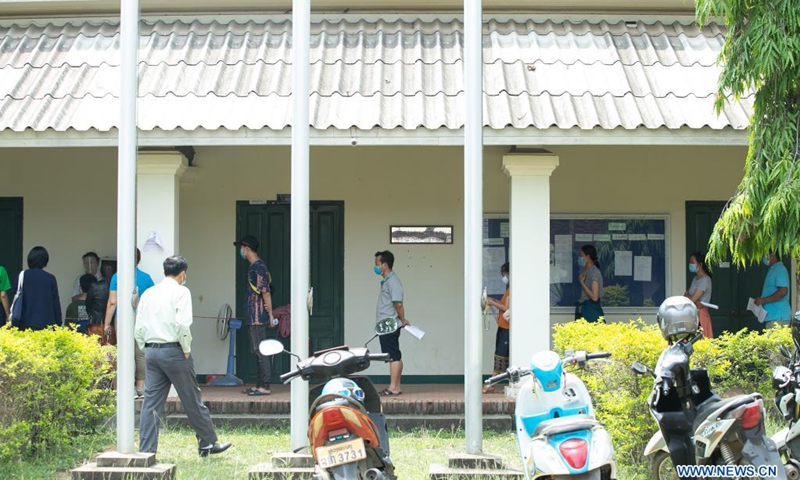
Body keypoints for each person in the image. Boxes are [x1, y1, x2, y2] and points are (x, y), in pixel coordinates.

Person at [135, 255, 231, 457]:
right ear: (182, 274)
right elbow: (182, 324)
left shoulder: (149, 293)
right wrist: (186, 349)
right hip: (175, 350)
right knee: (191, 399)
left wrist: (146, 347)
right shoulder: (182, 292)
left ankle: (146, 451)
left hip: (152, 351)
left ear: (164, 272)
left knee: (150, 404)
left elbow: (139, 326)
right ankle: (207, 443)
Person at [103, 248, 155, 399]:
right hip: (142, 318)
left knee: (124, 352)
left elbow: (113, 302)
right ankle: (140, 388)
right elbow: (152, 302)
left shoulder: (117, 277)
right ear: (138, 259)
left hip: (122, 318)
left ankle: (126, 388)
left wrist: (107, 323)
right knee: (140, 353)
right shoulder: (146, 278)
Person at [235, 235, 273, 396]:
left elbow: (265, 292)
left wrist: (270, 314)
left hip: (258, 316)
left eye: (241, 248)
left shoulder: (258, 267)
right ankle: (259, 385)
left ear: (247, 248)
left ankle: (264, 386)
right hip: (253, 315)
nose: (240, 251)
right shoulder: (254, 267)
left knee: (261, 350)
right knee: (257, 350)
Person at [374, 250, 410, 396]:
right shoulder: (387, 281)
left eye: (377, 264)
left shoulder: (393, 282)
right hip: (386, 325)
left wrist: (403, 320)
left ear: (384, 265)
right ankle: (396, 386)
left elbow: (398, 304)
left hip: (389, 324)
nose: (375, 267)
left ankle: (393, 387)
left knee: (393, 355)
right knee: (395, 354)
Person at [16, 246, 61, 330]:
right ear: (45, 260)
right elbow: (55, 303)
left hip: (25, 323)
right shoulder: (50, 278)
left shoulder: (22, 276)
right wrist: (58, 323)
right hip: (47, 324)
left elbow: (16, 298)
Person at [484, 262, 510, 394]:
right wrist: (495, 301)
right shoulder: (508, 289)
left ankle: (490, 384)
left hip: (507, 328)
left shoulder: (512, 289)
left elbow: (507, 308)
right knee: (500, 356)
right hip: (503, 325)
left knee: (500, 356)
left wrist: (492, 302)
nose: (503, 277)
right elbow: (504, 304)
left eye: (504, 274)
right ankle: (492, 383)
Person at [754, 251, 791, 329]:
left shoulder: (779, 269)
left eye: (766, 255)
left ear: (773, 255)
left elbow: (783, 291)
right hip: (773, 316)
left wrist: (763, 300)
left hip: (778, 317)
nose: (764, 258)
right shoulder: (772, 269)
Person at [684, 252, 713, 338]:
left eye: (693, 262)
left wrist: (691, 299)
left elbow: (691, 299)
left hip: (700, 315)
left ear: (700, 264)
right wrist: (692, 300)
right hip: (692, 313)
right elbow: (686, 296)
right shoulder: (695, 279)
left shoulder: (705, 280)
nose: (690, 264)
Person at [576, 244, 604, 323]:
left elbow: (594, 297)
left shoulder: (594, 272)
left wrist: (582, 283)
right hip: (582, 307)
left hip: (591, 309)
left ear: (587, 257)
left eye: (581, 255)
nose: (579, 258)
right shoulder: (583, 270)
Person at [85, 271, 112, 343]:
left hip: (96, 321)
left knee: (95, 347)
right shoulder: (122, 285)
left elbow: (88, 305)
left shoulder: (95, 286)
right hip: (113, 322)